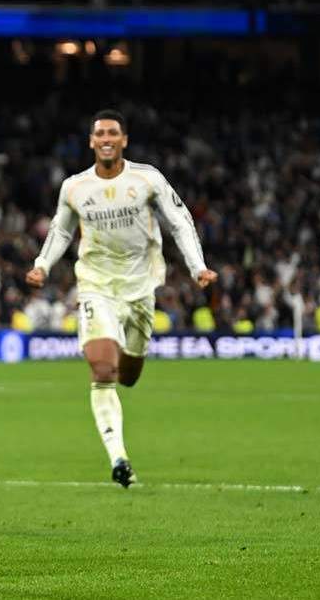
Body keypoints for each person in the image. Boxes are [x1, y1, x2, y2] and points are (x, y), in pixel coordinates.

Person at [26, 110, 216, 488]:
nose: (106, 138)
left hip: (141, 288)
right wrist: (42, 265)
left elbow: (179, 220)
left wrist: (198, 267)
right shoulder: (75, 187)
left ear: (124, 139)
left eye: (113, 132)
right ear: (91, 141)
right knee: (102, 370)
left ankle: (124, 386)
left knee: (128, 375)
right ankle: (119, 458)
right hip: (96, 285)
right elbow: (60, 231)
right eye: (100, 133)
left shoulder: (147, 179)